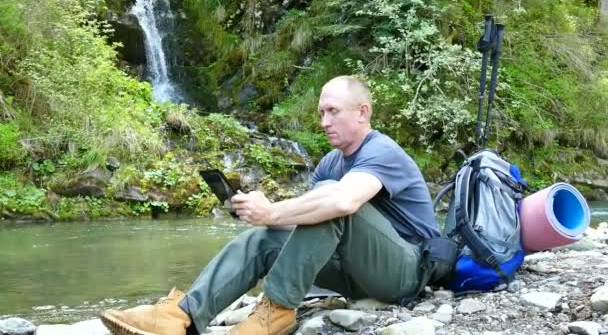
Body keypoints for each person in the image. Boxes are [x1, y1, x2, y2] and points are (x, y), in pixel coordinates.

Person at [101, 75, 440, 335]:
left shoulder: (382, 151)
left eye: (333, 111)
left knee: (330, 198)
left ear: (362, 112)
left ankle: (276, 310)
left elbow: (343, 202)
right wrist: (260, 216)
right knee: (262, 240)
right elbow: (309, 228)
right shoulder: (330, 164)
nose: (324, 122)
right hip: (355, 273)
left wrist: (275, 210)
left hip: (405, 273)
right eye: (321, 112)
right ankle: (183, 316)